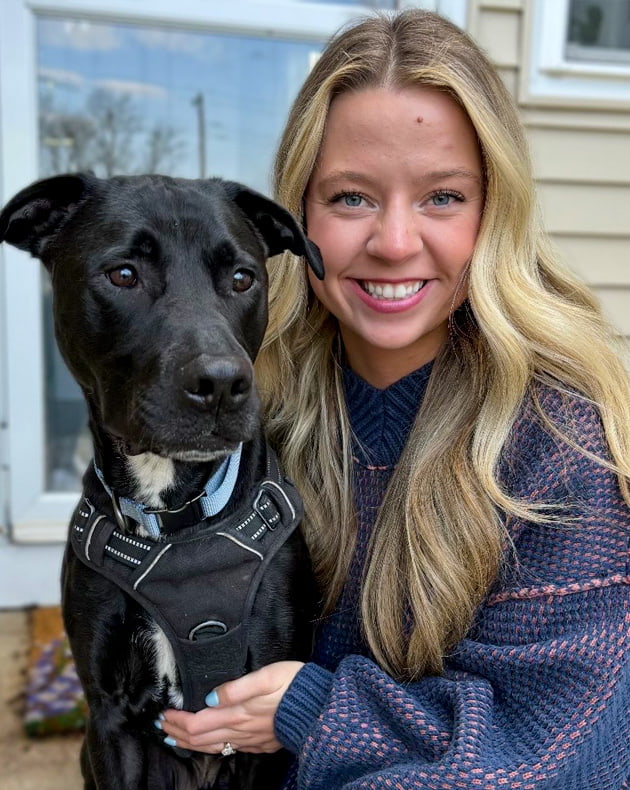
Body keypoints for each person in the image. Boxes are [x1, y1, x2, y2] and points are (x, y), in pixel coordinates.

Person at [157, 9, 630, 788]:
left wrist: (317, 709)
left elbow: (546, 755)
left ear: (493, 212)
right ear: (298, 213)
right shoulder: (253, 414)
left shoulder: (562, 444)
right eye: (351, 198)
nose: (395, 242)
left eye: (442, 197)